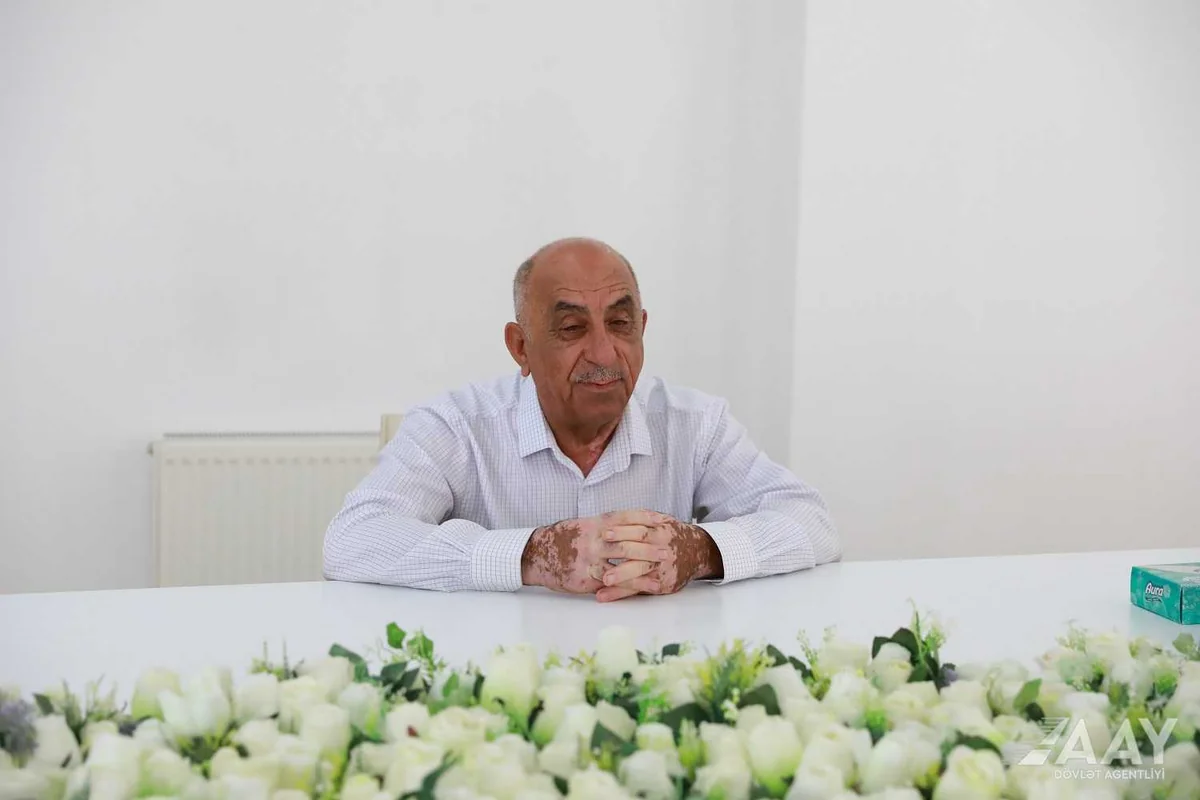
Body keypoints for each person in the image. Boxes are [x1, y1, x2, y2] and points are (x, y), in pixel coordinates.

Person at [322, 237, 841, 602]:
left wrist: (700, 550)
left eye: (620, 324)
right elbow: (354, 539)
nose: (604, 353)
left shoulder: (694, 423)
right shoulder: (456, 425)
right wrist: (534, 555)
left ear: (642, 328)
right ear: (520, 346)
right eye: (572, 328)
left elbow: (810, 521)